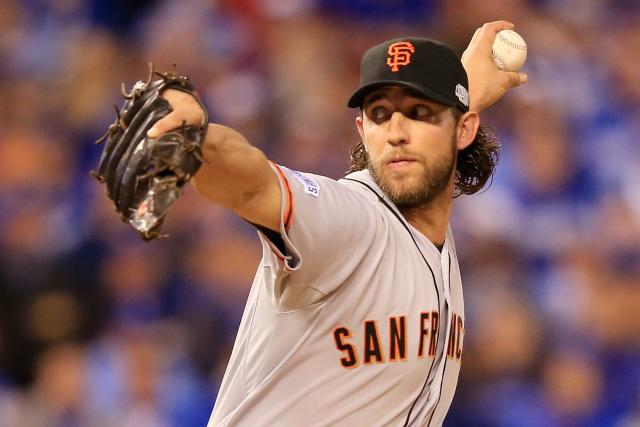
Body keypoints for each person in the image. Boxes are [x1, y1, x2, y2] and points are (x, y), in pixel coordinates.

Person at [146, 20, 528, 427]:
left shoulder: (433, 228)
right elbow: (254, 184)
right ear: (362, 130)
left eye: (419, 112)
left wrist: (463, 86)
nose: (397, 132)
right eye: (380, 114)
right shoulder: (348, 218)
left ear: (464, 127)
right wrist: (198, 140)